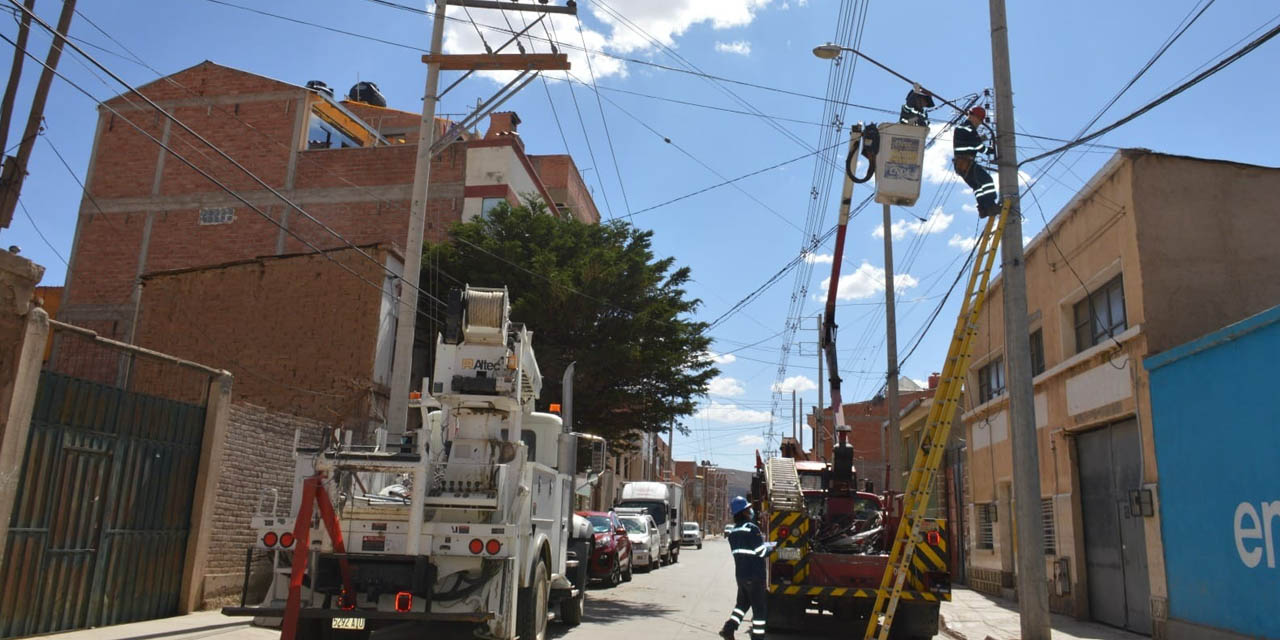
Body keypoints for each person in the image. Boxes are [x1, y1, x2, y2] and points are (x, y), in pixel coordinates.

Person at [720, 496, 774, 639]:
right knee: (759, 611)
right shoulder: (752, 529)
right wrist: (774, 548)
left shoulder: (733, 532)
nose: (751, 511)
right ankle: (757, 637)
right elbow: (761, 552)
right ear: (743, 512)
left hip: (742, 576)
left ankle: (728, 628)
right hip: (755, 576)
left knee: (742, 605)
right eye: (748, 509)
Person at [953, 106, 1000, 218]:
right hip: (966, 162)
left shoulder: (963, 128)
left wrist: (984, 141)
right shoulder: (969, 128)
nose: (980, 123)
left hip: (961, 165)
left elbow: (973, 142)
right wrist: (991, 150)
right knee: (987, 180)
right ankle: (990, 206)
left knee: (978, 187)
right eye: (980, 120)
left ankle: (983, 209)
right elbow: (978, 146)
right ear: (973, 117)